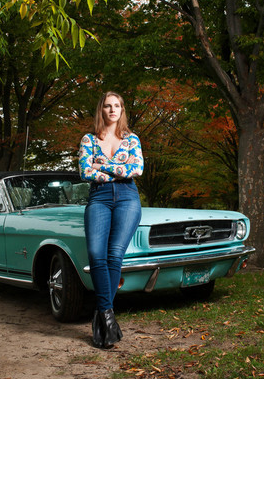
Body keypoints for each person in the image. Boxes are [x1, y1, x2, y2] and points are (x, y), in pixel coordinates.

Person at [78, 91, 143, 348]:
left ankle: (102, 315)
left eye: (117, 105)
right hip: (99, 199)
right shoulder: (89, 139)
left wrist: (100, 167)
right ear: (101, 110)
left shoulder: (131, 139)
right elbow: (84, 171)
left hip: (128, 198)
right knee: (96, 254)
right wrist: (117, 171)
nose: (112, 109)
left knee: (115, 255)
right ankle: (107, 315)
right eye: (107, 106)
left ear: (122, 110)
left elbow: (136, 169)